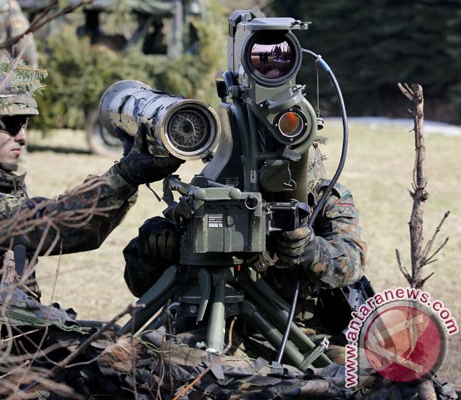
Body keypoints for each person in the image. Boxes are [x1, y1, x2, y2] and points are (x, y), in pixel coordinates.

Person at [0, 58, 183, 310]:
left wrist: (126, 177)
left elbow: (69, 225)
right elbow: (49, 224)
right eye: (11, 123)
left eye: (25, 124)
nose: (22, 136)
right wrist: (125, 176)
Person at [122, 143, 368, 364]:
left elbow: (351, 263)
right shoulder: (216, 197)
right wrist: (154, 248)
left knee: (358, 374)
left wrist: (309, 251)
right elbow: (141, 285)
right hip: (217, 332)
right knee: (158, 361)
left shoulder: (328, 202)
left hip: (301, 336)